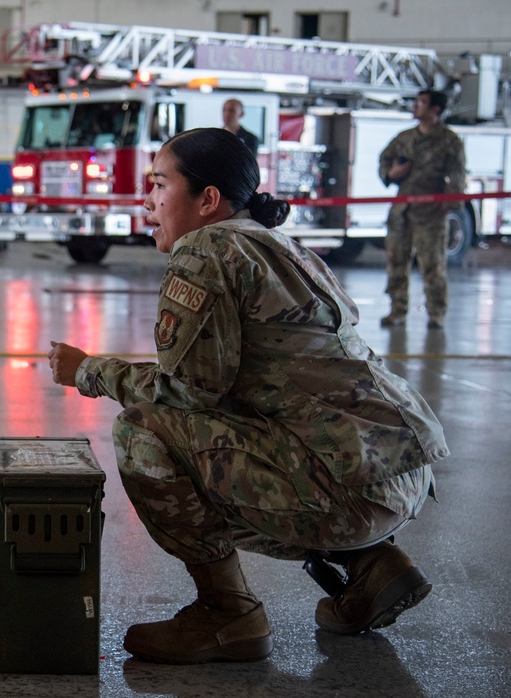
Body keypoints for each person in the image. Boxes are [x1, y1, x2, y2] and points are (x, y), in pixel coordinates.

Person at [47, 128, 446, 665]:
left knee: (145, 430)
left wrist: (90, 371)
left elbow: (186, 392)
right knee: (235, 422)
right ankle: (373, 567)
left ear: (207, 199)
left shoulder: (207, 247)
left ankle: (227, 611)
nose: (148, 200)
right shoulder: (275, 243)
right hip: (393, 474)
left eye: (161, 185)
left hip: (348, 490)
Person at [378, 89, 466, 329]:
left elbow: (457, 176)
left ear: (435, 109)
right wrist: (390, 174)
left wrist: (450, 206)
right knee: (396, 262)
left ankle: (436, 312)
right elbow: (385, 160)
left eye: (422, 103)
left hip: (430, 213)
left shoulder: (449, 140)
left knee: (432, 265)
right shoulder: (404, 138)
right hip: (401, 211)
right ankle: (397, 310)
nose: (415, 106)